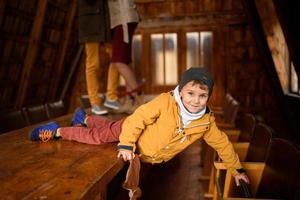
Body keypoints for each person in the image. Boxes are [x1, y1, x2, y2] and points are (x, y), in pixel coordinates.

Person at [29, 67, 249, 190]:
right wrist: (126, 144)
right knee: (98, 137)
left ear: (208, 97)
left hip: (138, 142)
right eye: (190, 93)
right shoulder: (165, 102)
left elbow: (222, 144)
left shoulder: (205, 122)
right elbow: (138, 118)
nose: (195, 100)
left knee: (110, 127)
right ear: (181, 91)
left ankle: (85, 118)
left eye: (202, 96)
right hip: (132, 134)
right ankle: (58, 131)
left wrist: (236, 169)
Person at [103, 0, 143, 114]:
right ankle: (130, 100)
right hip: (122, 18)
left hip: (123, 18)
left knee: (118, 61)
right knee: (125, 60)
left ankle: (139, 97)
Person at [78, 0, 111, 115]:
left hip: (105, 22)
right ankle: (95, 102)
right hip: (90, 23)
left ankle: (112, 97)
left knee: (116, 58)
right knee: (93, 63)